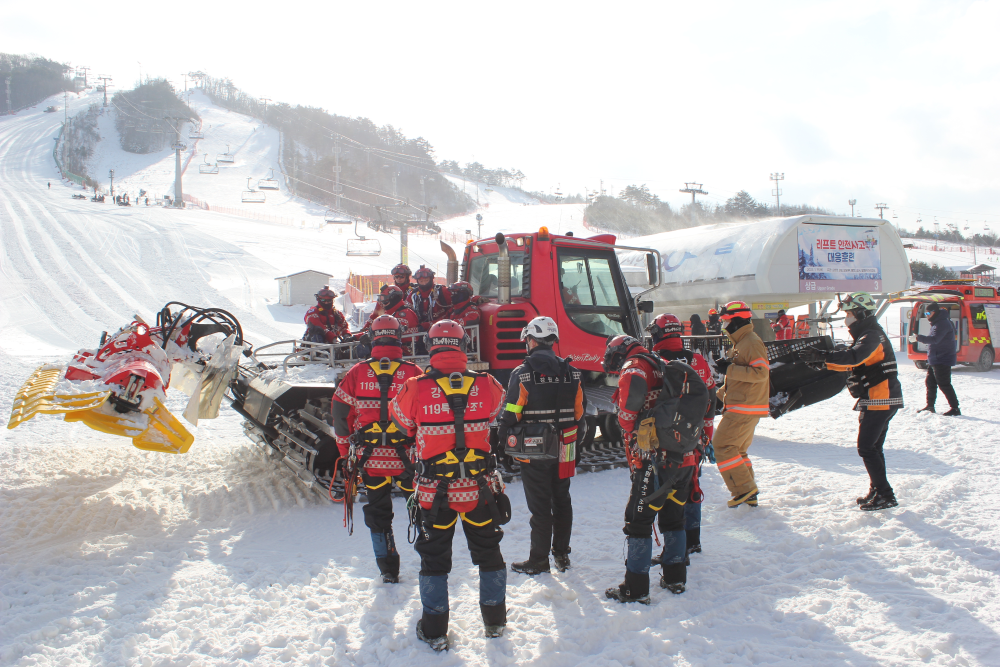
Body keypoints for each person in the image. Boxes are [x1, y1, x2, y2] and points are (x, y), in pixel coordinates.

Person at [389, 320, 508, 649]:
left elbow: (401, 423)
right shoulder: (488, 384)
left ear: (432, 345)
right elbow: (499, 409)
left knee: (433, 558)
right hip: (479, 490)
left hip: (432, 493)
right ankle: (495, 623)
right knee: (489, 552)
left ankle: (434, 629)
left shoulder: (414, 386)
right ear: (462, 344)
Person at [602, 334, 709, 602]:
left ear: (620, 351)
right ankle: (675, 578)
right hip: (683, 457)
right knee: (674, 518)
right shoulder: (660, 362)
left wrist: (628, 428)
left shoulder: (635, 366)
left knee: (638, 522)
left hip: (655, 460)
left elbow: (629, 407)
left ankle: (635, 588)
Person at [332, 315, 423, 583]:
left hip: (370, 461)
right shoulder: (413, 373)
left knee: (378, 511)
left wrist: (343, 451)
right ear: (399, 337)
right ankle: (428, 558)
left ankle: (387, 569)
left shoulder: (357, 372)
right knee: (418, 505)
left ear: (372, 337)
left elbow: (339, 414)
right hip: (407, 459)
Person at [798, 292, 903, 511]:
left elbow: (854, 357)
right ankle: (878, 489)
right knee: (874, 447)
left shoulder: (871, 335)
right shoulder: (869, 333)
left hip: (880, 398)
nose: (847, 318)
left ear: (862, 313)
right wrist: (824, 363)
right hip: (879, 398)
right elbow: (853, 361)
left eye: (849, 313)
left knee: (866, 448)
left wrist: (822, 356)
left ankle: (885, 494)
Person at [499, 316, 586, 575]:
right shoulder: (572, 372)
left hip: (534, 450)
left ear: (532, 340)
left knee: (540, 508)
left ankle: (538, 560)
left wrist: (505, 444)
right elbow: (579, 413)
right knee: (562, 501)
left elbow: (512, 413)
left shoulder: (522, 374)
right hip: (566, 448)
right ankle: (561, 554)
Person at [646, 314, 717, 563]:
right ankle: (693, 540)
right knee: (693, 485)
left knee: (668, 494)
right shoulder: (697, 360)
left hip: (666, 440)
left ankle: (676, 549)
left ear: (658, 333)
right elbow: (711, 398)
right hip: (694, 436)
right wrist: (706, 435)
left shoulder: (655, 362)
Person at [712, 301, 769, 508]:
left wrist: (729, 369)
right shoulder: (742, 342)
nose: (724, 325)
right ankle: (749, 492)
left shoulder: (750, 343)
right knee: (737, 450)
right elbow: (738, 378)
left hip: (744, 407)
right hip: (743, 405)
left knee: (722, 446)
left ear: (736, 320)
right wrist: (718, 396)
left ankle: (744, 490)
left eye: (726, 320)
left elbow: (761, 374)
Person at [910, 302, 960, 416]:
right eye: (925, 313)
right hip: (935, 358)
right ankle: (930, 406)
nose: (927, 315)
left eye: (929, 313)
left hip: (943, 358)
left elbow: (935, 339)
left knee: (944, 384)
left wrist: (918, 338)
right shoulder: (937, 322)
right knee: (930, 382)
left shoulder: (942, 323)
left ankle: (955, 408)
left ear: (935, 312)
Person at [358, 285, 420, 354]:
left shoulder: (404, 314)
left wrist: (369, 336)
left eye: (385, 299)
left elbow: (388, 332)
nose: (383, 303)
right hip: (392, 349)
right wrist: (356, 337)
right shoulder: (391, 313)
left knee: (365, 349)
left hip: (403, 352)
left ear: (394, 298)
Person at [409, 267, 451, 331]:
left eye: (426, 280)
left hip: (442, 328)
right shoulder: (413, 295)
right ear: (417, 281)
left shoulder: (442, 291)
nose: (424, 283)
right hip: (420, 329)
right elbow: (406, 310)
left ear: (431, 279)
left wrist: (430, 324)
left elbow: (453, 310)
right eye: (421, 281)